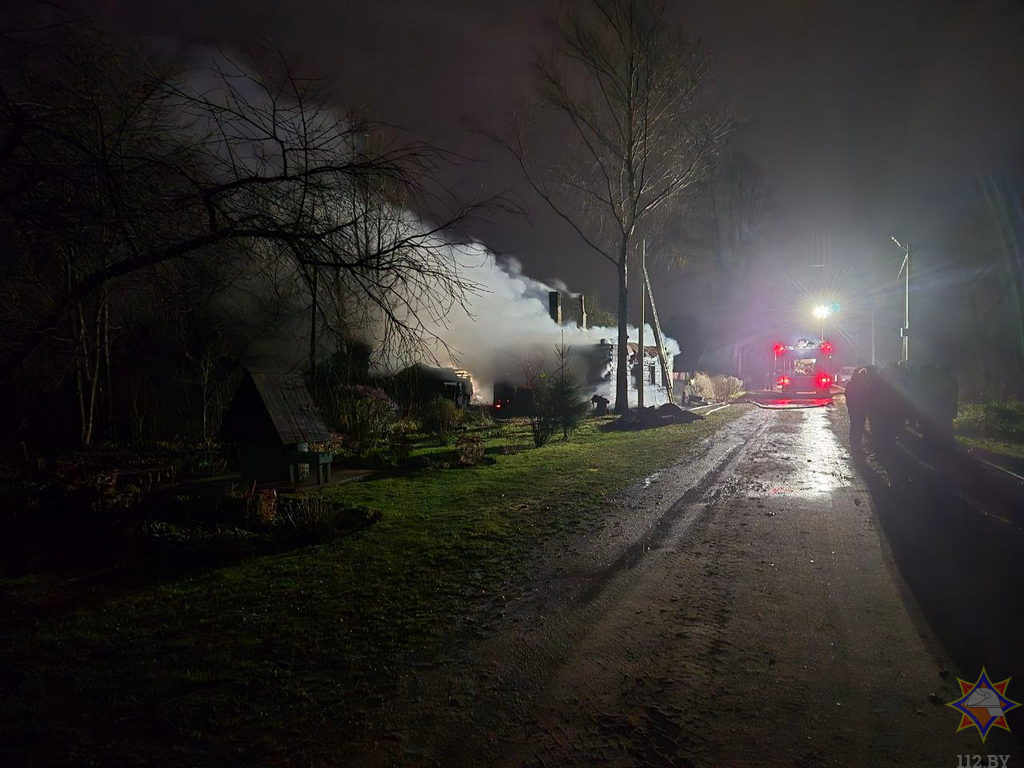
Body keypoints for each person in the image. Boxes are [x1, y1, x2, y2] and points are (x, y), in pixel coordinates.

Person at [844, 366, 870, 455]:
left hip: (856, 410)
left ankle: (856, 446)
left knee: (856, 427)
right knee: (856, 428)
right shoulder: (858, 385)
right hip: (857, 410)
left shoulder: (852, 385)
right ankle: (856, 447)